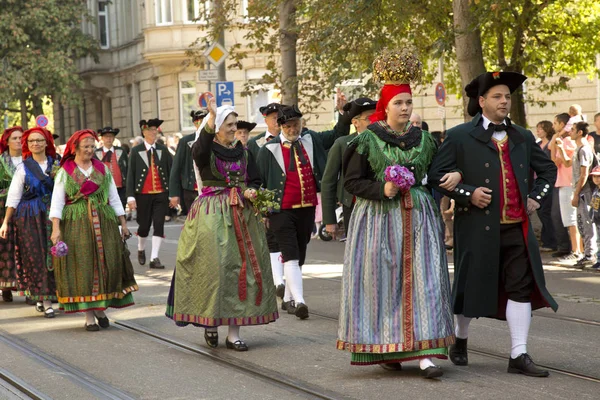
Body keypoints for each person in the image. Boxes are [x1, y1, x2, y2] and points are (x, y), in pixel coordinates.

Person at [336, 49, 457, 378]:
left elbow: (436, 174)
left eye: (408, 102)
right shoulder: (366, 140)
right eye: (399, 103)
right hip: (378, 219)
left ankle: (427, 354)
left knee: (426, 281)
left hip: (419, 217)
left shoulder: (426, 140)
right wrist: (382, 189)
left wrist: (456, 177)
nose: (405, 108)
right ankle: (388, 347)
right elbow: (352, 182)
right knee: (384, 284)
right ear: (385, 107)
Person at [429, 71, 558, 378]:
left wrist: (536, 198)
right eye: (498, 97)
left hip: (516, 227)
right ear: (482, 101)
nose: (504, 102)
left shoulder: (522, 136)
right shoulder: (460, 136)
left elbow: (548, 171)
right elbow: (436, 176)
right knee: (468, 288)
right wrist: (467, 193)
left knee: (520, 287)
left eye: (507, 97)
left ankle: (518, 353)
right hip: (475, 229)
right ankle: (459, 339)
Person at [166, 100, 278, 351]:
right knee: (216, 270)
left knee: (241, 269)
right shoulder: (206, 150)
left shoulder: (245, 151)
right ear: (216, 127)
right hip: (212, 214)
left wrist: (252, 192)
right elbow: (198, 152)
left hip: (242, 213)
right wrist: (211, 119)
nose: (233, 129)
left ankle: (234, 333)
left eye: (234, 124)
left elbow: (256, 179)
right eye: (228, 124)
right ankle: (210, 323)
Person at [257, 103, 351, 319]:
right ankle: (300, 301)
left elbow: (337, 133)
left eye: (296, 125)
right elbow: (257, 182)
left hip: (307, 208)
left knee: (300, 252)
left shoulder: (312, 139)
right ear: (281, 126)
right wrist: (263, 211)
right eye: (288, 126)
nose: (293, 129)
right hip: (280, 211)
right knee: (289, 252)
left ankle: (289, 298)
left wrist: (343, 115)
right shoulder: (268, 150)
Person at [50, 130, 138, 331]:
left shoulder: (103, 170)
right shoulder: (66, 171)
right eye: (86, 147)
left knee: (106, 264)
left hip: (104, 222)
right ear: (76, 148)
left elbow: (114, 198)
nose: (90, 150)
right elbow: (56, 203)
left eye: (92, 147)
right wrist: (56, 229)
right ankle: (89, 314)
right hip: (76, 224)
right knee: (84, 266)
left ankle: (100, 308)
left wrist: (123, 224)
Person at [0, 126, 60, 317]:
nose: (35, 144)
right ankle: (44, 298)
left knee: (57, 254)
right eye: (32, 141)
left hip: (54, 214)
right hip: (29, 216)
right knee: (37, 256)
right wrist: (6, 222)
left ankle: (56, 293)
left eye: (39, 140)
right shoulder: (23, 168)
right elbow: (13, 197)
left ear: (46, 143)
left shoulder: (56, 164)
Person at [246, 103, 286, 300]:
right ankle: (279, 280)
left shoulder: (291, 139)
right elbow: (252, 174)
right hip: (266, 199)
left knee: (289, 240)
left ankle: (286, 277)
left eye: (279, 116)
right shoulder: (255, 143)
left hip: (288, 197)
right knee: (271, 238)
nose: (277, 120)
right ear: (266, 120)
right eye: (272, 117)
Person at [322, 97, 377, 240]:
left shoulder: (385, 142)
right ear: (355, 122)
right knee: (357, 251)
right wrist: (330, 220)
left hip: (380, 204)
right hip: (353, 206)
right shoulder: (342, 144)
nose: (375, 121)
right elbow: (328, 182)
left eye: (377, 117)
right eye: (370, 118)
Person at [127, 119, 173, 269]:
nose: (154, 132)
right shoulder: (136, 150)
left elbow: (170, 172)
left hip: (161, 193)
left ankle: (154, 257)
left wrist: (172, 193)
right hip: (143, 194)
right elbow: (131, 175)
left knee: (159, 223)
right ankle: (141, 249)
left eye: (155, 130)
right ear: (144, 132)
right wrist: (131, 196)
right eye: (151, 130)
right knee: (144, 226)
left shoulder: (163, 149)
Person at [557, 121, 597, 268]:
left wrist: (576, 193)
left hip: (584, 192)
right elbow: (568, 164)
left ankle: (589, 255)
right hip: (580, 191)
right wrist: (561, 149)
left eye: (573, 129)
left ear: (580, 132)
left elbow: (584, 174)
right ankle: (588, 254)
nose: (570, 132)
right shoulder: (578, 148)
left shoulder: (584, 149)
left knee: (586, 222)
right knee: (582, 222)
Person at [549, 113, 579, 260]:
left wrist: (559, 143)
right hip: (563, 183)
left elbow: (567, 162)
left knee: (572, 220)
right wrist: (556, 139)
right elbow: (554, 159)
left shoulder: (568, 142)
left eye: (555, 123)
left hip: (569, 183)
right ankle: (576, 250)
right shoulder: (563, 140)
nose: (553, 126)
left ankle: (576, 251)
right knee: (568, 220)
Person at [170, 110, 208, 215]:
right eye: (198, 121)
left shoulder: (215, 139)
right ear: (194, 123)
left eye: (205, 121)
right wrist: (174, 193)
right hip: (190, 189)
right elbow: (176, 167)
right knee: (193, 221)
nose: (201, 124)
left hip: (209, 188)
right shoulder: (185, 141)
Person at [0, 127, 23, 302]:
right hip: (3, 209)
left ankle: (27, 286)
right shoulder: (1, 161)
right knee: (5, 248)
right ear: (7, 141)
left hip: (26, 209)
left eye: (21, 138)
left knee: (25, 247)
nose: (18, 141)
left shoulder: (29, 160)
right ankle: (5, 285)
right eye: (14, 138)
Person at [535, 121, 556, 252]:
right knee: (540, 211)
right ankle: (546, 240)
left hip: (548, 182)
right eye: (537, 129)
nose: (538, 131)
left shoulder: (550, 145)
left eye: (540, 129)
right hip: (536, 182)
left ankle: (550, 241)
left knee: (545, 211)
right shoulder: (537, 145)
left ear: (547, 130)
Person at [94, 127, 128, 209]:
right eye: (106, 136)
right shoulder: (96, 153)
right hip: (104, 189)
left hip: (120, 188)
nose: (109, 139)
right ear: (102, 138)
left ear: (114, 138)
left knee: (120, 210)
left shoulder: (121, 151)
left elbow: (127, 168)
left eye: (111, 136)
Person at [588, 166, 600, 271]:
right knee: (598, 240)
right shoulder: (596, 189)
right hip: (597, 220)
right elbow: (593, 204)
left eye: (599, 176)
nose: (596, 179)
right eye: (594, 176)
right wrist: (591, 215)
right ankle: (599, 260)